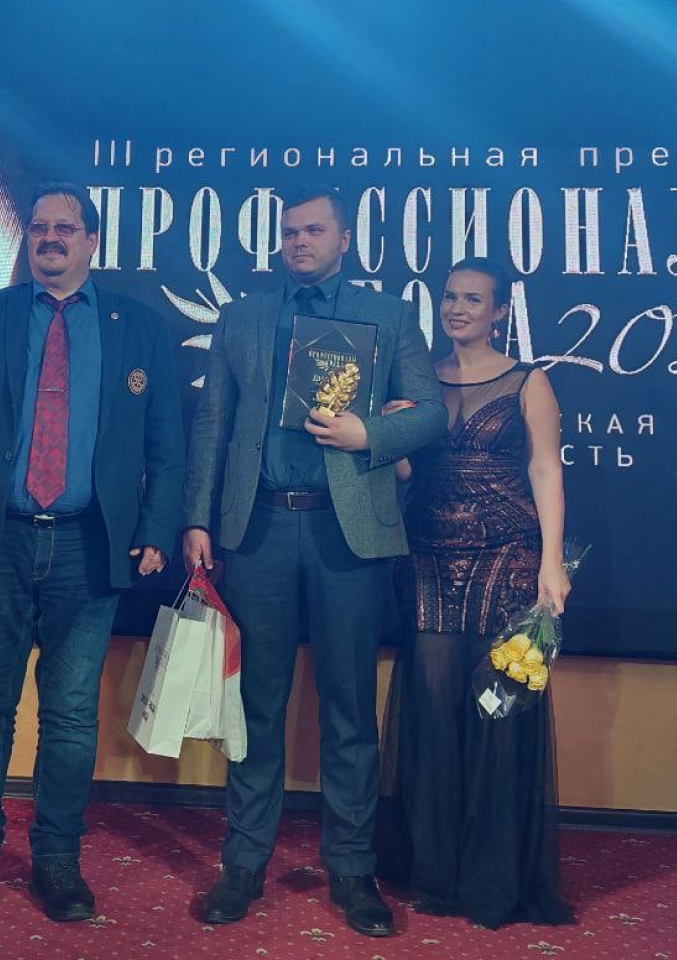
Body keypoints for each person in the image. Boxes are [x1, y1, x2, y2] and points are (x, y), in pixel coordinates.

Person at [0, 181, 185, 923]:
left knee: (68, 716)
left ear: (92, 241)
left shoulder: (139, 327)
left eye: (66, 228)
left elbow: (167, 441)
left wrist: (156, 528)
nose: (51, 238)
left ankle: (57, 860)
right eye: (39, 227)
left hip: (88, 545)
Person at [181, 184, 445, 937]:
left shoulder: (389, 316)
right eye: (290, 231)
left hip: (347, 532)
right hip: (259, 527)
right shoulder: (245, 316)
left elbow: (430, 413)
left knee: (349, 710)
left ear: (344, 239)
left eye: (314, 230)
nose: (299, 241)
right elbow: (212, 422)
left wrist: (372, 436)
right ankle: (243, 864)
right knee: (254, 707)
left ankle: (353, 871)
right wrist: (197, 517)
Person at [374, 256, 573, 929]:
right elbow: (406, 472)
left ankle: (495, 878)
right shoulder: (418, 381)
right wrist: (392, 433)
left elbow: (544, 469)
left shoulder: (528, 381)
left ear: (499, 312)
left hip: (508, 561)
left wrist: (552, 563)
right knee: (433, 718)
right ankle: (438, 871)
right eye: (450, 297)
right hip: (427, 560)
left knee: (499, 717)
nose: (457, 308)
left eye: (473, 299)